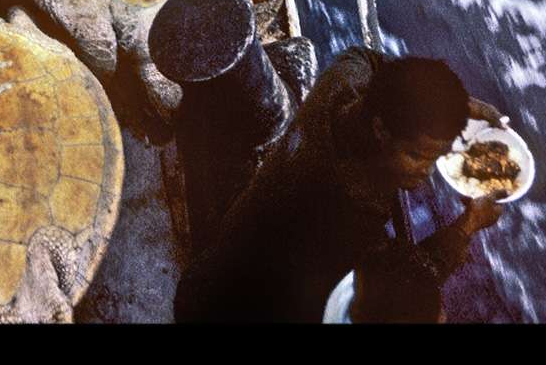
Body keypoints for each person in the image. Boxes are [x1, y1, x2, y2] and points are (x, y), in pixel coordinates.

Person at [173, 49, 506, 324]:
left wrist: (453, 108)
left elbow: (370, 60)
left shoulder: (343, 83)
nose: (427, 171)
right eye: (417, 155)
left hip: (216, 268)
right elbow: (404, 283)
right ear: (381, 130)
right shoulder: (346, 210)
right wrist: (468, 225)